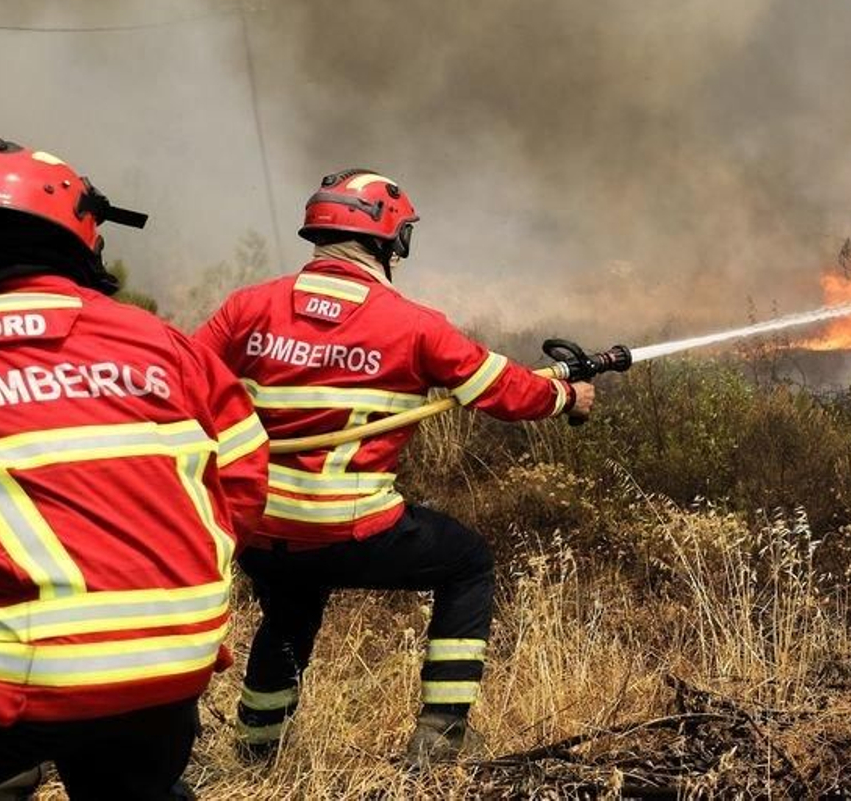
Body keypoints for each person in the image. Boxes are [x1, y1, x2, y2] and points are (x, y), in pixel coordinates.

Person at [193, 168, 594, 765]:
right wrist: (566, 395)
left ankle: (256, 750)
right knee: (467, 563)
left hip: (257, 526)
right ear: (389, 240)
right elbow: (503, 392)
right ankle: (441, 735)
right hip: (347, 525)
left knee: (290, 609)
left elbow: (182, 380)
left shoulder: (247, 307)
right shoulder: (411, 323)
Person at [0, 138, 269, 800]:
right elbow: (245, 485)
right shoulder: (165, 345)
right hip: (169, 672)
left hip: (9, 684)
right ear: (82, 239)